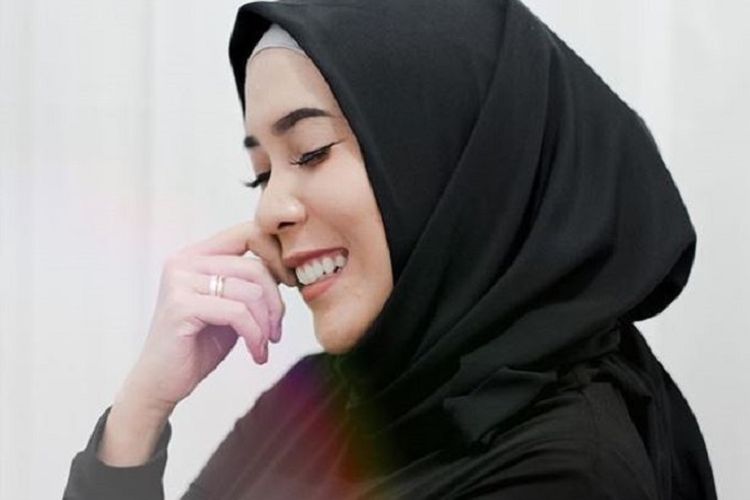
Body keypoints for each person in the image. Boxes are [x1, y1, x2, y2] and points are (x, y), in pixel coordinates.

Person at [63, 0, 718, 498]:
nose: (270, 210)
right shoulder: (323, 399)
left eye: (310, 152)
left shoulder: (565, 471)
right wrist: (140, 413)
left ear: (450, 158)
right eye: (262, 174)